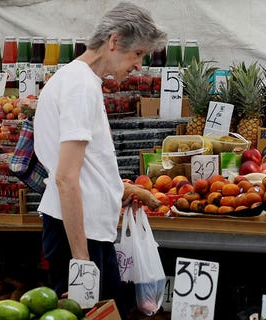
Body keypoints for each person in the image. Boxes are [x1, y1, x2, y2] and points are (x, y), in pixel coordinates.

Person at [33, 2, 166, 316]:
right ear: (114, 41)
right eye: (138, 55)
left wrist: (117, 191)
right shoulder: (81, 88)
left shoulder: (76, 80)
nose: (138, 65)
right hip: (80, 237)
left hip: (83, 229)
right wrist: (81, 259)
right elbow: (66, 177)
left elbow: (83, 168)